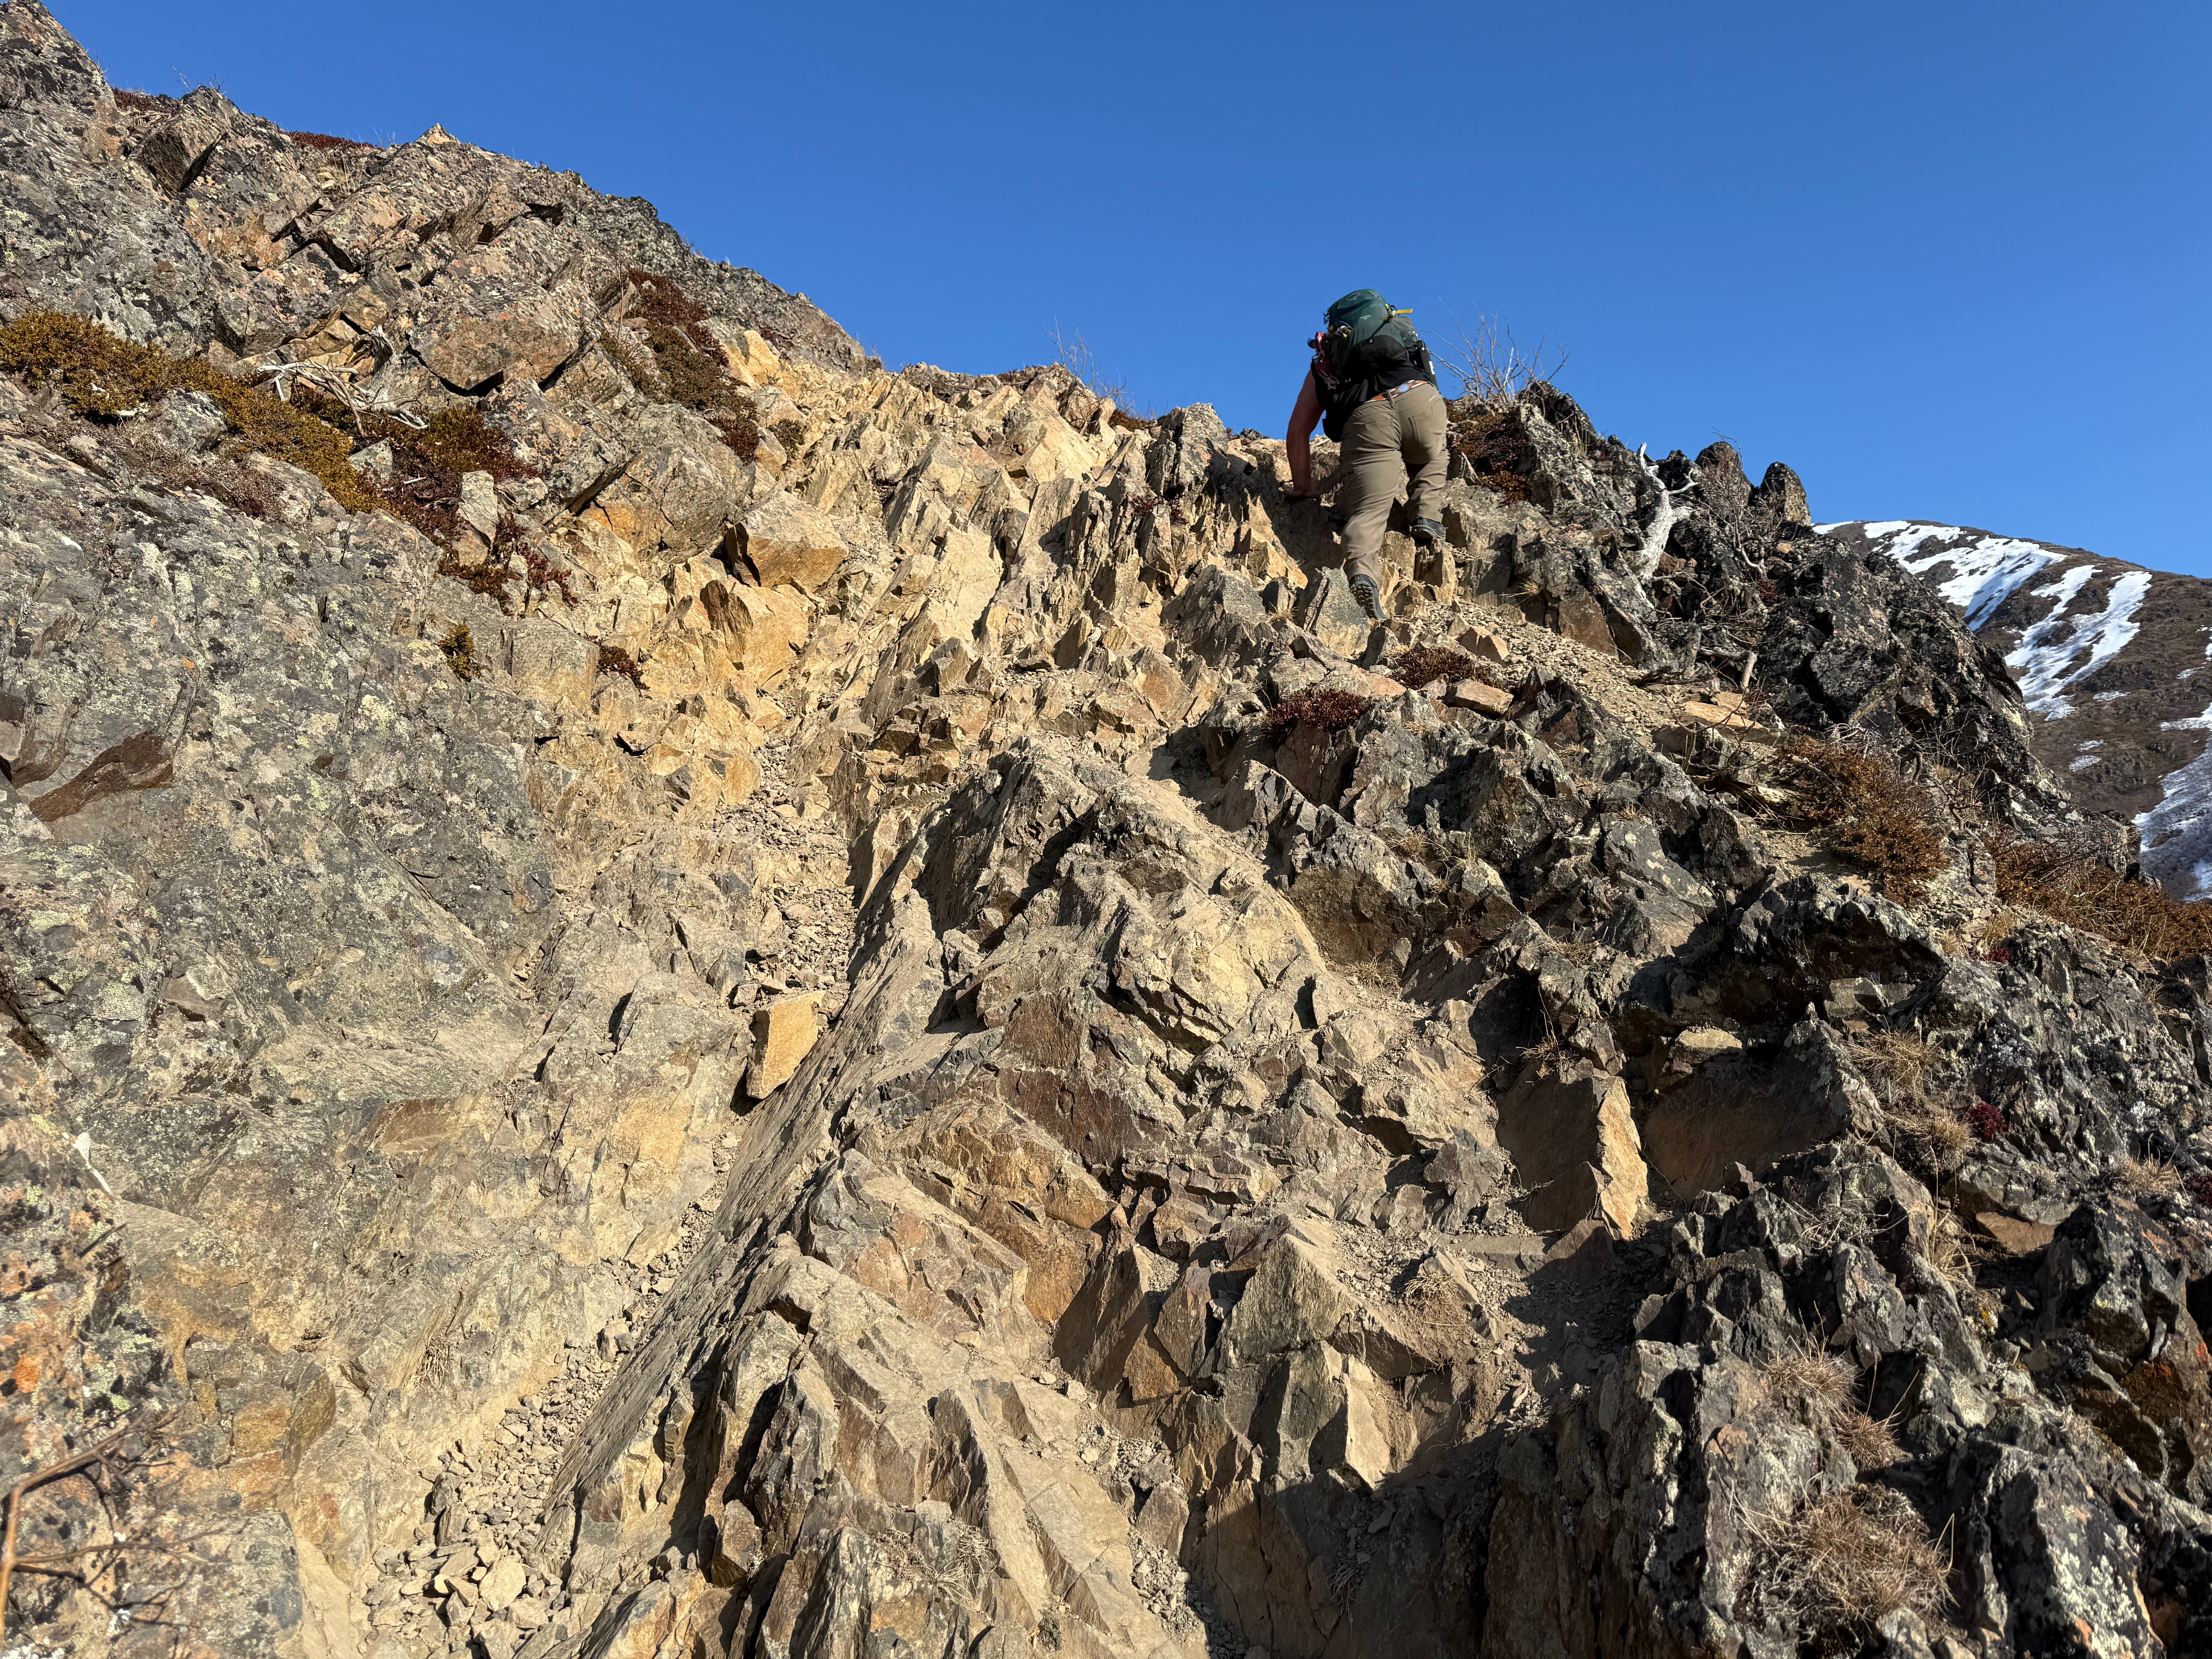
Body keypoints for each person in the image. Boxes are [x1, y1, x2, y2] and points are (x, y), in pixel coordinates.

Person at [1283, 289, 1448, 623]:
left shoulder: (1326, 362)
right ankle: (1427, 516)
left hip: (1367, 419)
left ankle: (1363, 576)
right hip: (1419, 400)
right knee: (1433, 453)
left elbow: (1299, 430)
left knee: (1369, 511)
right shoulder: (1399, 330)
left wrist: (1305, 487)